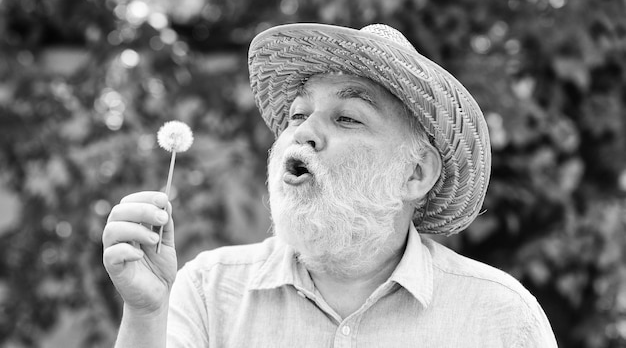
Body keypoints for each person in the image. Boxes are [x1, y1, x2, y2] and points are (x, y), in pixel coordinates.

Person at [102, 23, 558, 347]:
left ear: (416, 173)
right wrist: (144, 313)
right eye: (299, 114)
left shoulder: (500, 317)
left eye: (347, 118)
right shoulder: (207, 289)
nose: (302, 132)